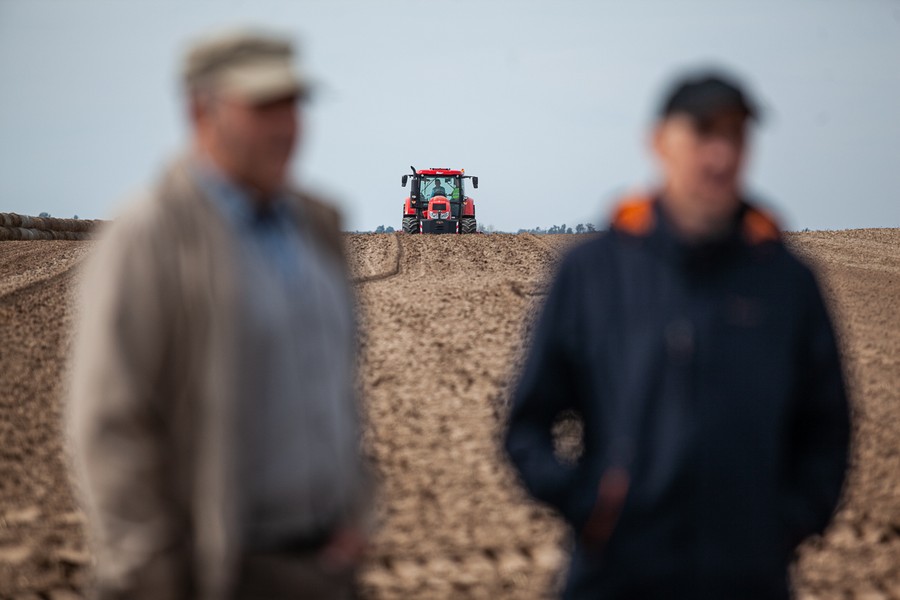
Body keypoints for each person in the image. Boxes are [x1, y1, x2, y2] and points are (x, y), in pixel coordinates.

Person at [504, 71, 850, 599]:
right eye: (703, 133)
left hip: (748, 579)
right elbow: (527, 426)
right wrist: (592, 507)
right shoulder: (594, 274)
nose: (720, 155)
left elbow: (828, 429)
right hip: (617, 577)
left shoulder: (785, 282)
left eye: (734, 136)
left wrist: (782, 524)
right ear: (659, 143)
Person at [69, 28, 370, 600]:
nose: (286, 127)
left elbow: (338, 390)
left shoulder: (317, 230)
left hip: (326, 569)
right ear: (200, 110)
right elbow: (111, 427)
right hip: (224, 572)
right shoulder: (150, 238)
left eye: (293, 105)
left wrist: (357, 512)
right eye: (262, 107)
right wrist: (153, 575)